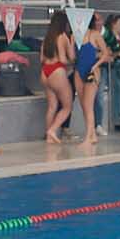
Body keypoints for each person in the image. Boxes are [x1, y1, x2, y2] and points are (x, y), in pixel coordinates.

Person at [40, 8, 76, 144]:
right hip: (57, 71)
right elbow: (66, 59)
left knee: (52, 106)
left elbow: (42, 59)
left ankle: (49, 136)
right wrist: (72, 41)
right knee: (67, 106)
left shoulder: (47, 38)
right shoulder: (63, 37)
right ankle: (52, 130)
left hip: (45, 72)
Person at [75, 16, 111, 146]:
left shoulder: (95, 35)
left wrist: (95, 65)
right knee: (84, 106)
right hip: (79, 72)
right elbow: (74, 56)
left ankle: (88, 138)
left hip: (92, 72)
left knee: (88, 105)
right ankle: (93, 135)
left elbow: (106, 53)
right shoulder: (75, 36)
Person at [102, 12, 120, 133]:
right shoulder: (108, 37)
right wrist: (119, 53)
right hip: (113, 67)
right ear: (113, 24)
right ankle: (117, 120)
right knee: (116, 92)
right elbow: (108, 52)